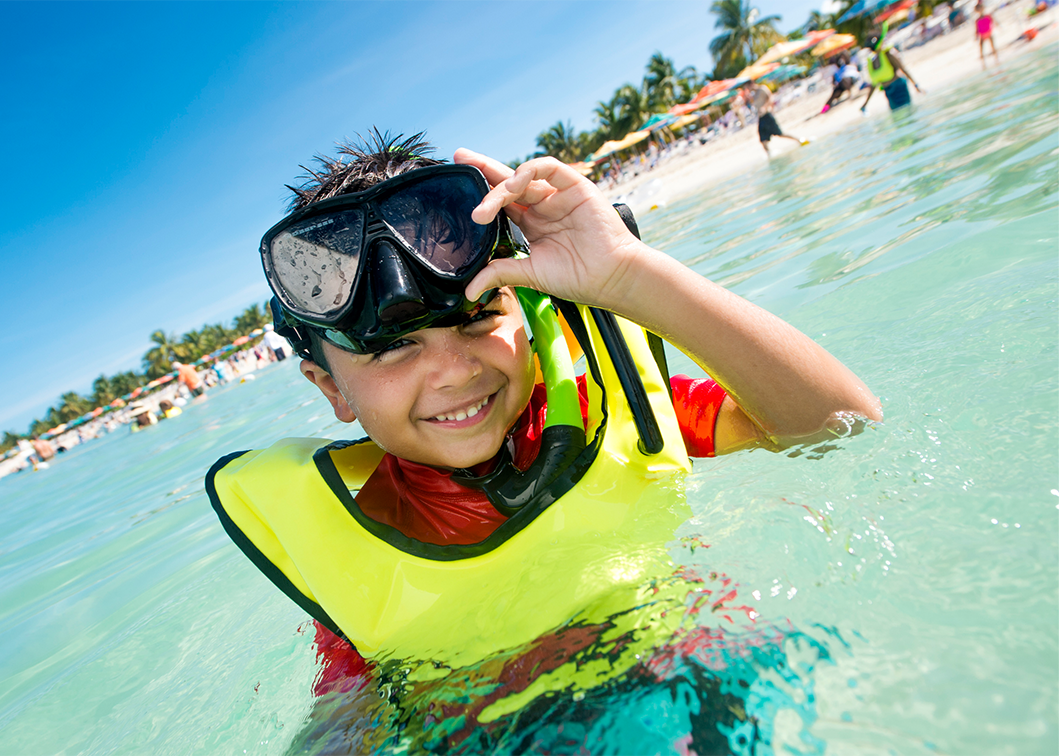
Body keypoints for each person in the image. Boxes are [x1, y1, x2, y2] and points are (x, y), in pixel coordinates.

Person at [206, 133, 881, 728]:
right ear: (330, 388)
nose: (453, 372)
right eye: (392, 348)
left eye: (478, 317)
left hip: (701, 689)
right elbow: (346, 723)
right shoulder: (354, 545)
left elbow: (838, 423)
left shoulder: (614, 418)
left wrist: (626, 275)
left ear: (527, 305)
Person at [861, 29, 923, 112]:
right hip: (888, 92)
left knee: (907, 112)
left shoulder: (888, 54)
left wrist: (916, 85)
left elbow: (903, 69)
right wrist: (865, 104)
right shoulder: (872, 61)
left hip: (899, 88)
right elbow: (874, 84)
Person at [745, 81, 806, 156]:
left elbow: (771, 97)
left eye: (748, 87)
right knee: (763, 138)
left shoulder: (762, 88)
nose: (747, 89)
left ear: (752, 84)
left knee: (780, 134)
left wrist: (765, 107)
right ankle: (769, 154)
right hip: (760, 117)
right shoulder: (753, 95)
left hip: (767, 115)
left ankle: (799, 140)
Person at [975, 1, 999, 69]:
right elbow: (976, 29)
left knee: (992, 47)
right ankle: (984, 63)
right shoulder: (979, 19)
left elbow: (994, 21)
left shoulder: (985, 17)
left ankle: (996, 60)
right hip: (984, 34)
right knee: (982, 50)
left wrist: (998, 25)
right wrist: (976, 37)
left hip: (986, 33)